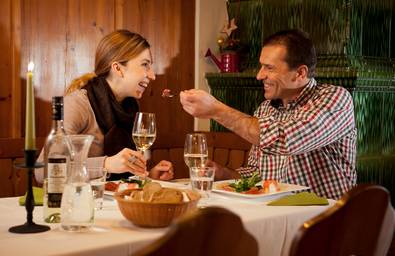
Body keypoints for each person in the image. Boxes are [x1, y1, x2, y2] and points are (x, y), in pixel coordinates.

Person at [180, 29, 356, 199]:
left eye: (269, 68)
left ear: (300, 73)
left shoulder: (335, 99)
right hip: (277, 213)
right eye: (261, 66)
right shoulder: (265, 109)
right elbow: (256, 174)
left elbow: (286, 140)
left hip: (327, 217)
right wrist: (223, 173)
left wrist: (216, 109)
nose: (259, 75)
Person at [37, 30, 174, 182]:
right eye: (145, 65)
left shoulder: (129, 108)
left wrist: (150, 176)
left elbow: (120, 178)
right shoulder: (78, 104)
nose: (152, 75)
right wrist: (105, 164)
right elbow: (43, 170)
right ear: (117, 68)